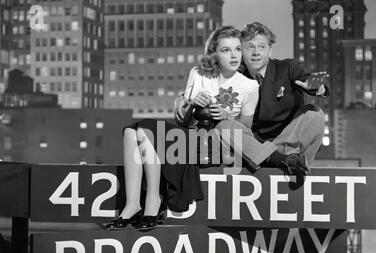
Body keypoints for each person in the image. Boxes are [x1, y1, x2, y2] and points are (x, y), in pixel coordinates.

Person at [105, 26, 260, 231]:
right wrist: (193, 103)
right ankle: (132, 204)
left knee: (146, 131)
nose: (234, 55)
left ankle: (153, 201)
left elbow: (246, 130)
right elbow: (183, 123)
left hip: (217, 145)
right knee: (131, 131)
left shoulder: (249, 86)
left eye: (237, 49)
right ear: (214, 53)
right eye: (226, 50)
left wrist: (226, 116)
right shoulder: (198, 74)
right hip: (188, 137)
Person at [175, 22, 328, 176]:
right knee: (224, 126)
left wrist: (316, 87)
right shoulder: (233, 72)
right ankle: (280, 160)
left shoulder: (288, 67)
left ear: (270, 50)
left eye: (261, 47)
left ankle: (295, 165)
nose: (256, 52)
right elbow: (204, 84)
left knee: (315, 114)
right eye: (249, 47)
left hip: (287, 142)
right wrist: (183, 100)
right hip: (251, 145)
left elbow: (309, 80)